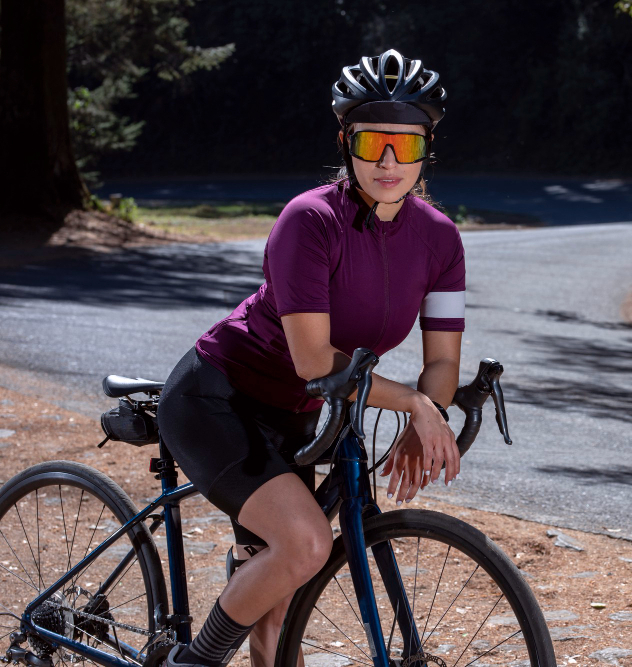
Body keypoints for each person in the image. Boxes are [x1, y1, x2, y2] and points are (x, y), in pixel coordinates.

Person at [157, 48, 464, 667]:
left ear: (427, 148)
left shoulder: (441, 239)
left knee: (279, 601)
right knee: (303, 545)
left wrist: (426, 408)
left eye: (405, 146)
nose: (386, 162)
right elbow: (314, 360)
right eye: (373, 141)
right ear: (346, 139)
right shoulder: (309, 220)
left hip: (300, 415)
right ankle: (195, 662)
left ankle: (254, 605)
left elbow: (443, 365)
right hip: (218, 398)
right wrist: (408, 402)